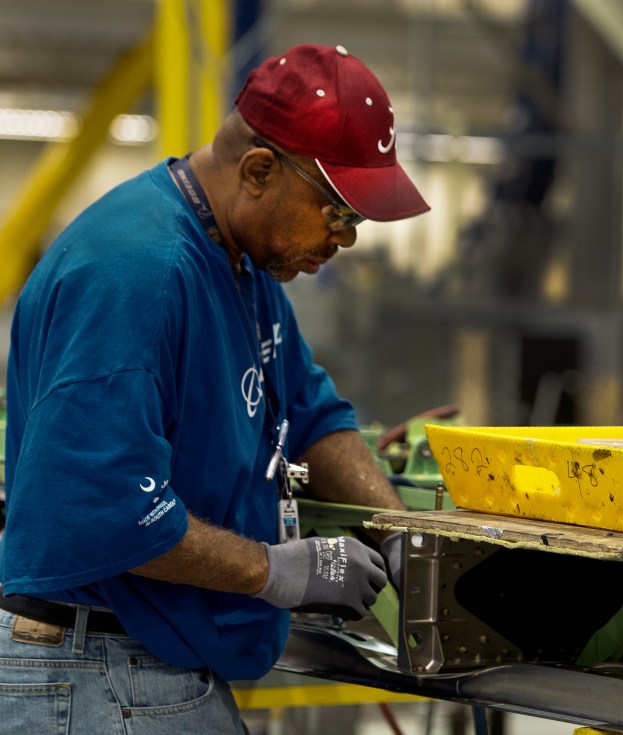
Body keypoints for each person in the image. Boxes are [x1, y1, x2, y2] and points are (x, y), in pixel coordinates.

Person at [0, 43, 428, 733]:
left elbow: (314, 412)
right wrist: (279, 569)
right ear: (259, 170)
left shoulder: (245, 265)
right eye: (337, 212)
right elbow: (109, 509)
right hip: (93, 671)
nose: (344, 238)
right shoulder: (137, 273)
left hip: (150, 662)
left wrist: (402, 533)